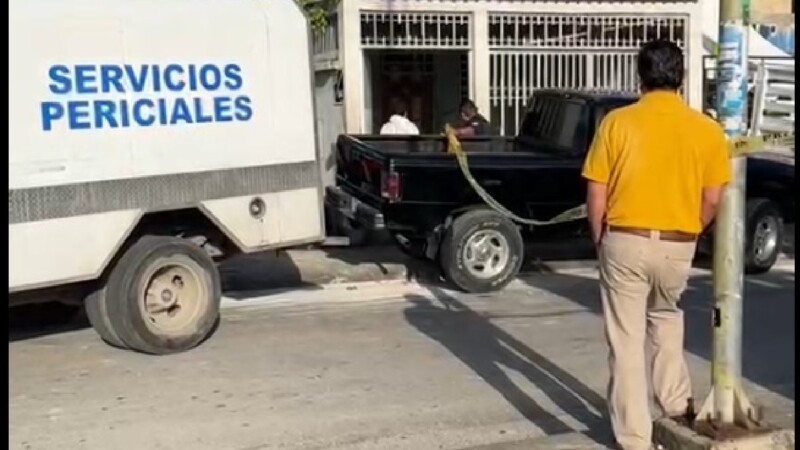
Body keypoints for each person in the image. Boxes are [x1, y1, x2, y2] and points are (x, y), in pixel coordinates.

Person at [581, 40, 731, 450]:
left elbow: (597, 190)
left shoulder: (617, 123)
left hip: (624, 240)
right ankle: (677, 407)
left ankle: (635, 438)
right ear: (681, 77)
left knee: (625, 339)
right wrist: (691, 229)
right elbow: (713, 198)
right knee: (667, 318)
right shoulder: (707, 130)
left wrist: (600, 238)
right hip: (677, 244)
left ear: (640, 76)